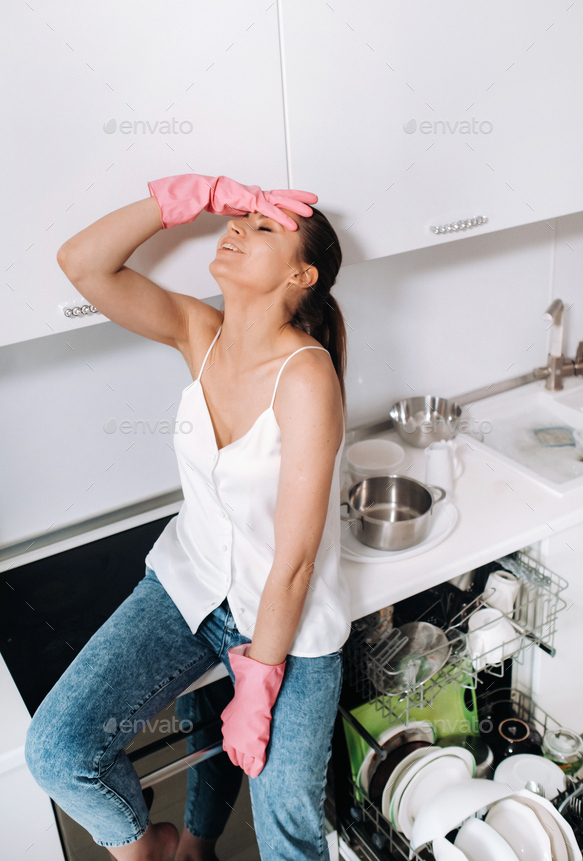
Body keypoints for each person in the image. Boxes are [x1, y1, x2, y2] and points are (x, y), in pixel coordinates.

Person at [24, 173, 352, 861]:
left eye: (262, 228)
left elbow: (292, 564)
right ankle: (156, 848)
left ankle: (196, 841)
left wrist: (258, 687)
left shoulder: (307, 376)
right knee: (58, 749)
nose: (235, 228)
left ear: (302, 274)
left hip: (284, 622)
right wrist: (186, 196)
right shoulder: (198, 332)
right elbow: (82, 263)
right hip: (189, 584)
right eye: (237, 219)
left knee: (288, 833)